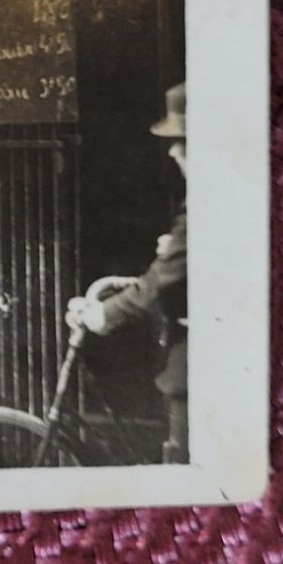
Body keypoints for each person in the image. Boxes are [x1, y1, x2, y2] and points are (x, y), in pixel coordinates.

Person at [68, 81, 188, 463]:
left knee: (183, 462)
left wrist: (104, 313)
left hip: (197, 364)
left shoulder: (207, 203)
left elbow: (160, 283)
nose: (173, 152)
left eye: (182, 141)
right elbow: (169, 272)